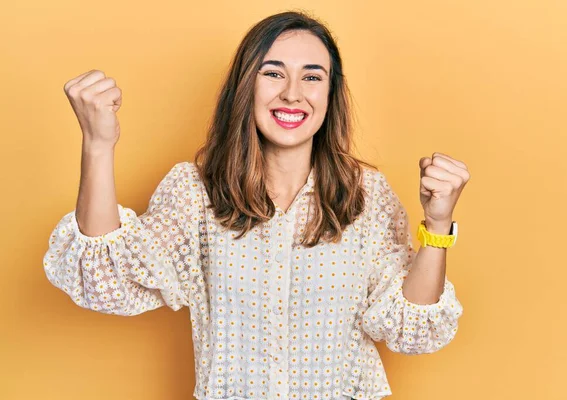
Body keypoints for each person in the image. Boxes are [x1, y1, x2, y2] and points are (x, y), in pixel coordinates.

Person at [43, 10, 466, 400]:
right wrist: (98, 146)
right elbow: (104, 276)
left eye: (312, 77)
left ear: (331, 93)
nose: (292, 94)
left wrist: (438, 223)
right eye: (273, 73)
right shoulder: (195, 192)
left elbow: (412, 328)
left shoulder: (366, 195)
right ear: (246, 85)